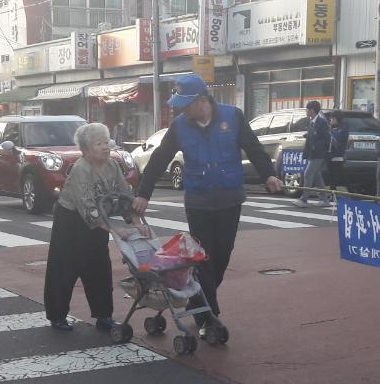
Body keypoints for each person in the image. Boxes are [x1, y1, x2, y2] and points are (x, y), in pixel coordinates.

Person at [134, 74, 283, 333]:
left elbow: (255, 149)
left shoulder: (233, 117)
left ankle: (197, 302)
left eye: (185, 103)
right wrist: (144, 193)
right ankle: (209, 317)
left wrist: (269, 175)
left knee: (221, 258)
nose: (181, 109)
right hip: (198, 202)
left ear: (202, 100)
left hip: (229, 199)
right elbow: (159, 159)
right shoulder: (180, 126)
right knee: (204, 260)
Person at [43, 123, 132, 332]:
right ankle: (57, 316)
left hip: (99, 222)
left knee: (100, 268)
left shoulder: (113, 165)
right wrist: (116, 231)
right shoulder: (81, 169)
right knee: (64, 269)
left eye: (106, 142)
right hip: (71, 223)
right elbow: (88, 210)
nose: (105, 147)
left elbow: (124, 196)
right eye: (98, 143)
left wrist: (135, 221)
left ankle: (104, 316)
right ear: (86, 149)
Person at [295, 100, 331, 207]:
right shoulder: (312, 121)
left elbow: (327, 138)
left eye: (307, 109)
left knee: (308, 174)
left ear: (312, 110)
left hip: (318, 154)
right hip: (311, 153)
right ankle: (324, 199)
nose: (306, 111)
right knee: (316, 176)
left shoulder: (322, 122)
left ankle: (304, 199)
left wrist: (318, 147)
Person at [327, 110, 347, 194]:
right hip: (330, 156)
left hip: (337, 157)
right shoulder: (333, 128)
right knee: (331, 177)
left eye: (331, 118)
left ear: (335, 119)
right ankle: (332, 193)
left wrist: (330, 133)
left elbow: (337, 141)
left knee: (336, 178)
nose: (330, 120)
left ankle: (338, 194)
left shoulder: (342, 129)